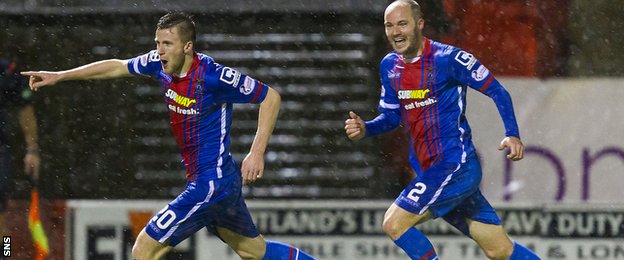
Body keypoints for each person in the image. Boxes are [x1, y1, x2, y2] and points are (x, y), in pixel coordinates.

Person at [22, 12, 314, 260]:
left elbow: (270, 97)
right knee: (254, 251)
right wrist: (61, 75)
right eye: (158, 43)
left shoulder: (213, 77)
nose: (160, 51)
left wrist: (257, 151)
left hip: (210, 184)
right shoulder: (158, 65)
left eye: (167, 44)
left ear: (187, 47)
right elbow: (117, 66)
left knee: (143, 250)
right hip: (220, 182)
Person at [344, 1, 540, 259]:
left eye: (402, 23)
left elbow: (497, 91)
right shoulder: (389, 66)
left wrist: (512, 133)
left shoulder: (450, 59)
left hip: (454, 165)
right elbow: (392, 116)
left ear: (420, 24)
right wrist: (366, 128)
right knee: (499, 250)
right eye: (389, 25)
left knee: (394, 223)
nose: (396, 31)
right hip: (429, 169)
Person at [0, 50, 41, 235]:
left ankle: (5, 252)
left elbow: (25, 110)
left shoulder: (6, 70)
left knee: (1, 215)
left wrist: (32, 150)